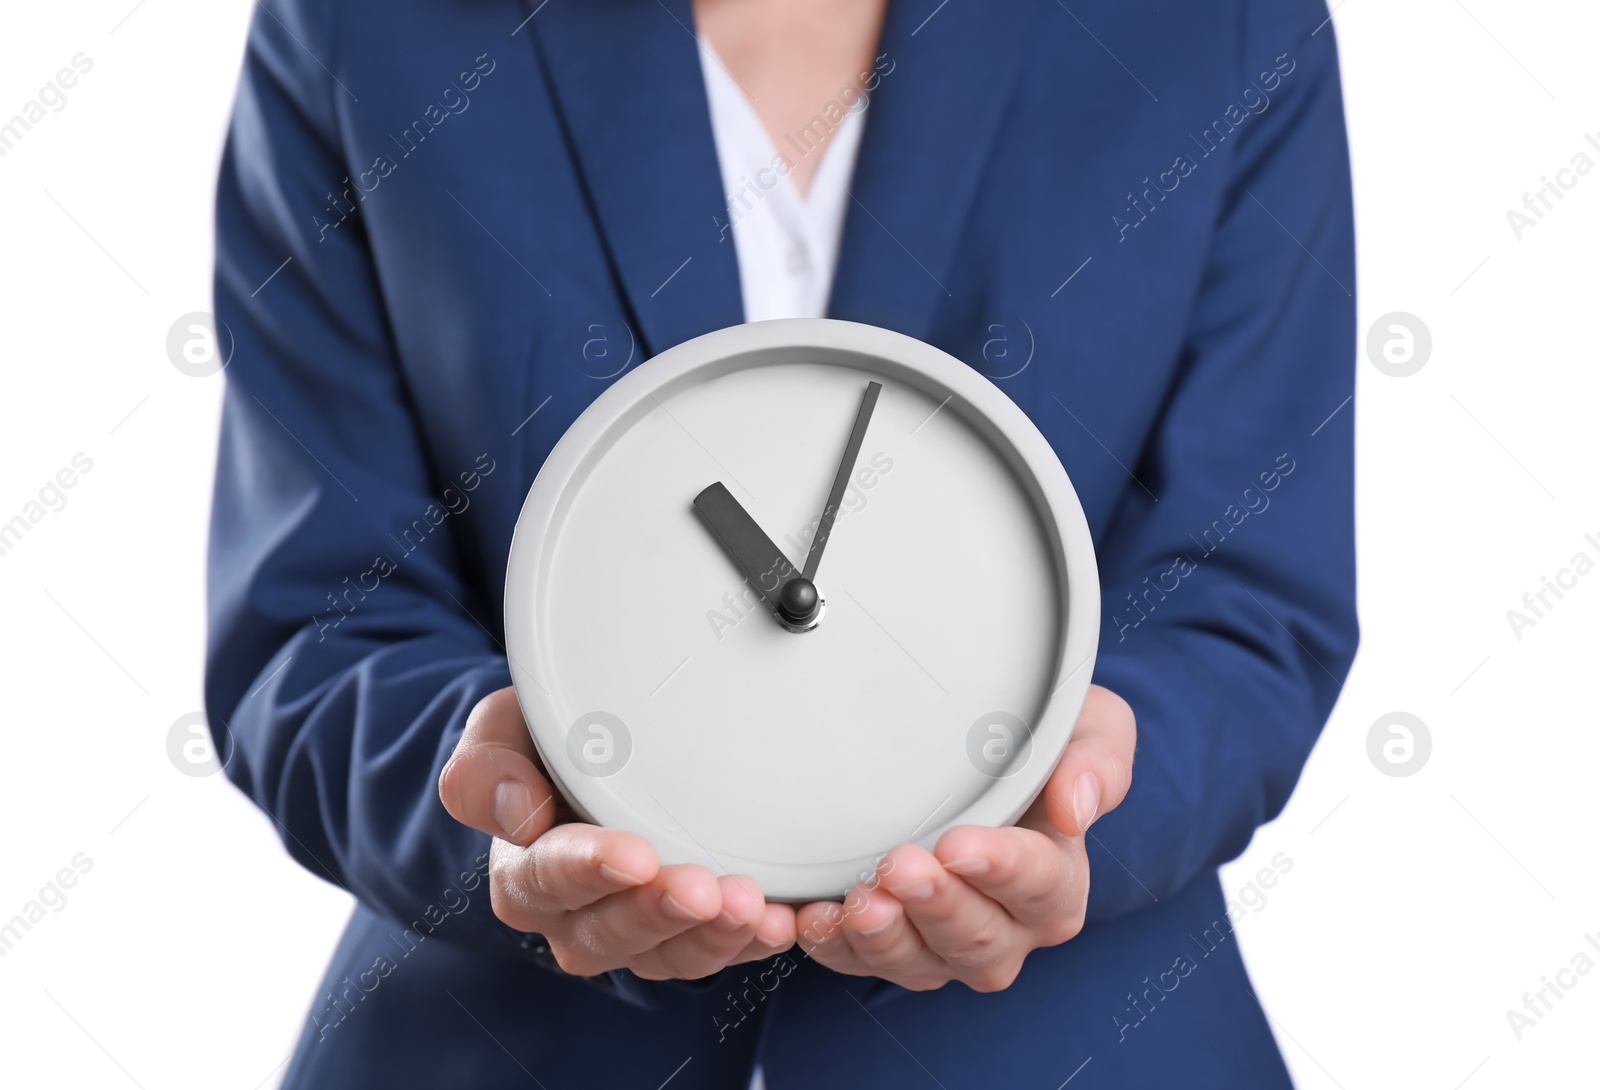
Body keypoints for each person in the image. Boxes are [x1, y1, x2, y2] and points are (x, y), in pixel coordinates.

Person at [206, 0, 1356, 1085]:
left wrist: (1090, 802)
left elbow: (1245, 600)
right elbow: (318, 620)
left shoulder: (1220, 23)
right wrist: (494, 809)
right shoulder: (364, 25)